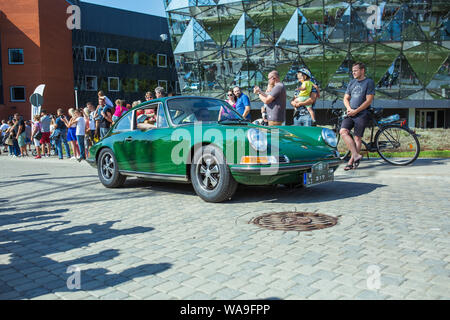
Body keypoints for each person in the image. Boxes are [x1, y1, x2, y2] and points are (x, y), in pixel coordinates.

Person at [340, 62, 375, 171]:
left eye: (355, 70)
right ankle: (356, 155)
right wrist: (349, 109)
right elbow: (345, 98)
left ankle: (351, 162)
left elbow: (369, 100)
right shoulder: (352, 83)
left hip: (362, 113)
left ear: (362, 70)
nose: (353, 73)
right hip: (350, 112)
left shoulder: (369, 82)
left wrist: (356, 111)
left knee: (357, 137)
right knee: (343, 131)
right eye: (353, 71)